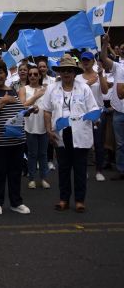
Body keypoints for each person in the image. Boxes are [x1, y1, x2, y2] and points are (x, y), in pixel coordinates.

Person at [43, 55, 99, 213]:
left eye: (69, 70)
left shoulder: (84, 88)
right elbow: (47, 111)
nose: (66, 73)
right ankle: (63, 199)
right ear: (59, 72)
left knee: (80, 169)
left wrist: (95, 118)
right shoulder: (52, 88)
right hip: (60, 133)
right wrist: (48, 130)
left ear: (75, 72)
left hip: (80, 133)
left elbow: (93, 109)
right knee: (64, 169)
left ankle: (80, 201)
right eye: (63, 70)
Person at [0, 60, 31, 215]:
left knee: (15, 172)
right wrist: (3, 100)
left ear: (5, 74)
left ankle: (16, 202)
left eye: (0, 72)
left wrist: (27, 111)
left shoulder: (13, 91)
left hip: (17, 139)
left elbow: (17, 111)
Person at [74, 52, 109, 182]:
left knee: (99, 143)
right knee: (84, 144)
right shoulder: (78, 78)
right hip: (84, 113)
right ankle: (84, 170)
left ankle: (99, 170)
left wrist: (100, 75)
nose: (86, 62)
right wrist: (88, 83)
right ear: (82, 62)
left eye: (88, 60)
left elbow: (105, 91)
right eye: (84, 60)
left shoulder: (100, 74)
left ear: (93, 61)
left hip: (98, 112)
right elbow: (76, 94)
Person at [19, 65, 50, 190]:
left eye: (35, 74)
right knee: (32, 153)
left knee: (43, 154)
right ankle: (31, 178)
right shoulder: (23, 89)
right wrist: (36, 97)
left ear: (40, 76)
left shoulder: (46, 89)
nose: (32, 76)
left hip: (44, 125)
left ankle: (43, 178)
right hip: (29, 125)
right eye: (30, 74)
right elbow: (22, 105)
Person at [99, 34, 124, 180]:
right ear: (119, 51)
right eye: (122, 49)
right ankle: (122, 169)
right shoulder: (118, 67)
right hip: (119, 111)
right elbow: (103, 57)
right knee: (120, 143)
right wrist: (105, 44)